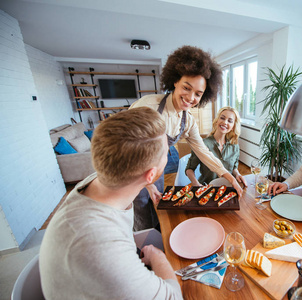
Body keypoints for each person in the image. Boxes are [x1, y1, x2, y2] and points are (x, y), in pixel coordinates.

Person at [39, 107, 182, 299]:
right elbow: (174, 296)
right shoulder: (101, 248)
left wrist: (147, 185)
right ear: (150, 174)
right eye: (166, 153)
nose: (168, 156)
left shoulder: (96, 182)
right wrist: (159, 258)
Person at [130, 45, 243, 230]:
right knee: (142, 216)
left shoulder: (187, 120)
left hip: (156, 171)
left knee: (159, 215)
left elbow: (204, 152)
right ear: (175, 81)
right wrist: (145, 183)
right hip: (133, 172)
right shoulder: (147, 107)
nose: (191, 97)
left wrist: (230, 178)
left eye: (198, 94)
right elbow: (125, 149)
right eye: (186, 88)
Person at [185, 106, 247, 187]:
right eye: (222, 118)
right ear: (217, 120)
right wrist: (196, 183)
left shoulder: (234, 147)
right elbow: (189, 169)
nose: (225, 122)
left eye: (230, 121)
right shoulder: (202, 144)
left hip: (227, 188)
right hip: (206, 187)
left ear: (233, 127)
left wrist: (238, 174)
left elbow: (234, 168)